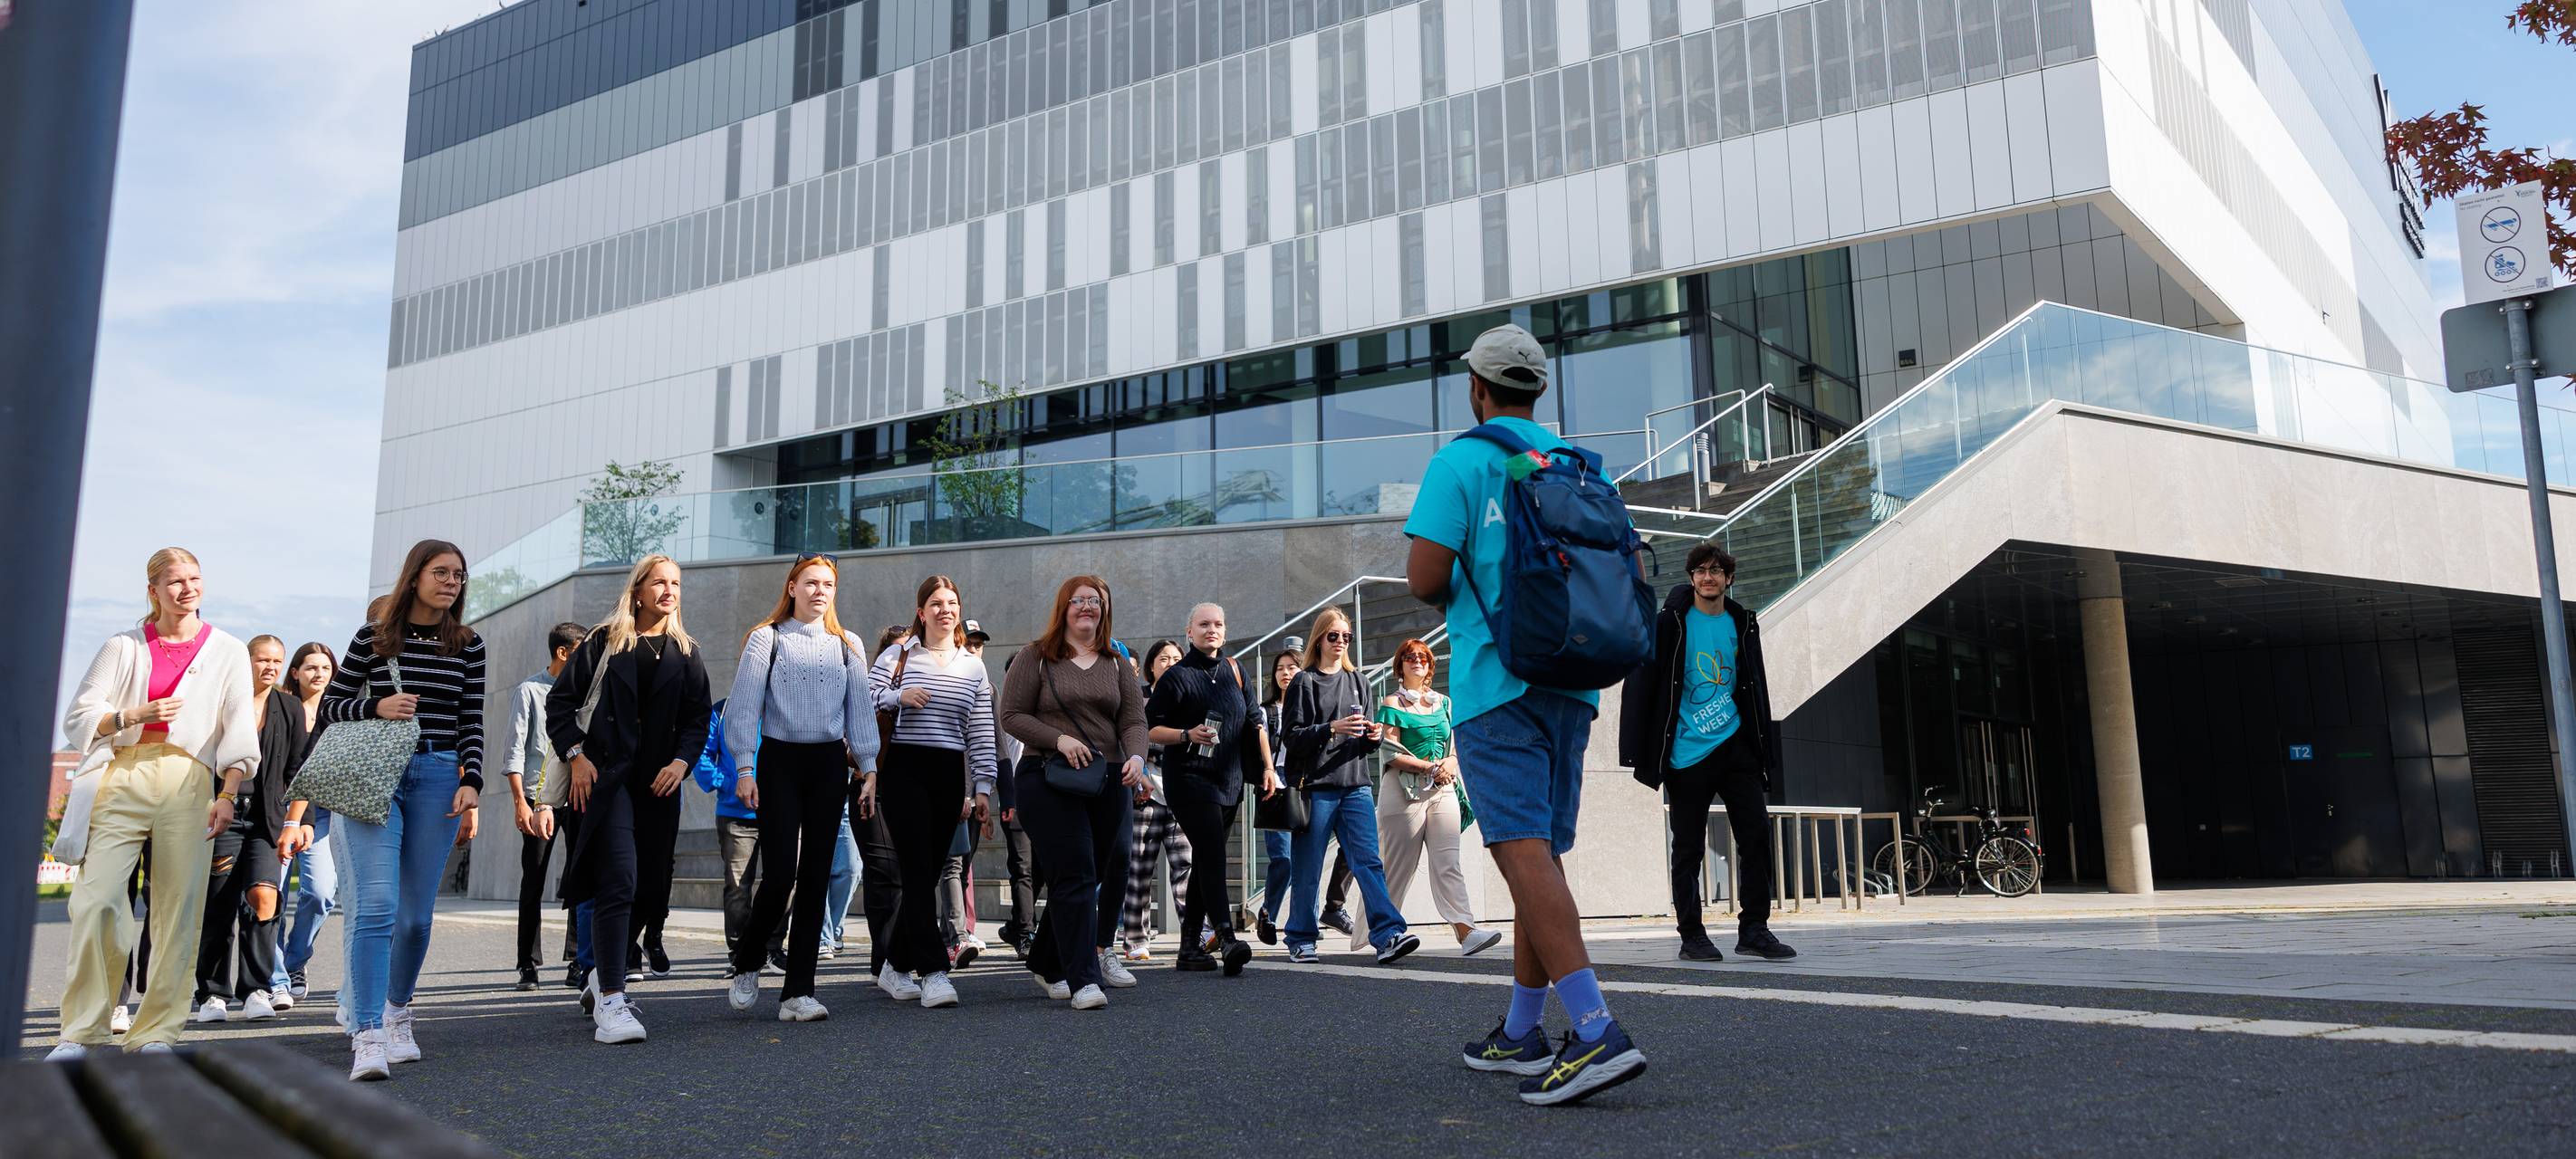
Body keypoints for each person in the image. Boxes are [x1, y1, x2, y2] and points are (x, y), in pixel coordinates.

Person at [1407, 322, 1647, 1105]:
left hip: (1495, 680)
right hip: (1574, 683)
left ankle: (1595, 1030)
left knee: (1518, 852)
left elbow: (1422, 578)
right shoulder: (1567, 463)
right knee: (1536, 855)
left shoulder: (1464, 460)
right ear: (1538, 389)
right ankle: (1519, 1031)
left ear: (1476, 388)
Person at [52, 548, 262, 1060]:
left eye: (194, 579)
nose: (186, 589)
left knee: (178, 909)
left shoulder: (230, 650)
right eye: (174, 581)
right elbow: (80, 716)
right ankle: (82, 1029)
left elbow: (237, 732)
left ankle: (156, 1032)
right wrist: (131, 714)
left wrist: (229, 793)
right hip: (123, 773)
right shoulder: (122, 646)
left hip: (189, 778)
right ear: (153, 591)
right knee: (98, 900)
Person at [320, 539, 487, 1081]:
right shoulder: (374, 639)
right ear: (414, 575)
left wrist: (473, 783)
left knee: (415, 920)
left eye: (458, 576)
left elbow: (472, 721)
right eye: (441, 572)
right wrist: (377, 705)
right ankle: (366, 1032)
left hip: (439, 779)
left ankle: (397, 1013)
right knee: (375, 907)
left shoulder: (468, 645)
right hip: (376, 777)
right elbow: (330, 706)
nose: (450, 582)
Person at [547, 555, 712, 1044]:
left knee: (651, 888)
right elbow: (561, 704)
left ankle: (601, 977)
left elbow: (698, 718)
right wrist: (576, 755)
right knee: (617, 877)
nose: (669, 590)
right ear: (638, 590)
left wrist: (682, 762)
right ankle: (613, 998)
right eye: (659, 582)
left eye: (676, 583)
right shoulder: (604, 641)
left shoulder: (687, 651)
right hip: (607, 780)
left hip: (660, 785)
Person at [722, 554, 881, 1023]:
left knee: (815, 878)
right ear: (792, 588)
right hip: (779, 763)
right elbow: (742, 708)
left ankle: (799, 992)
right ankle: (748, 961)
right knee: (780, 877)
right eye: (810, 582)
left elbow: (861, 712)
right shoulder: (766, 639)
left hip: (829, 764)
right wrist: (746, 769)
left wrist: (869, 768)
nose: (820, 591)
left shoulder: (848, 644)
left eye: (828, 584)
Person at [1620, 544, 1797, 963]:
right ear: (1691, 577)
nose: (1708, 578)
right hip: (1687, 752)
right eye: (1700, 571)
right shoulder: (1671, 624)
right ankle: (1692, 935)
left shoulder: (1743, 623)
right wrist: (1640, 749)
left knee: (1755, 837)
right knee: (1688, 849)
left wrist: (1761, 747)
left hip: (1737, 747)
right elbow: (1643, 684)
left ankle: (1754, 929)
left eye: (1716, 571)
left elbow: (1755, 687)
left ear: (1728, 578)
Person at [998, 575, 1149, 1011]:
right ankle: (1083, 977)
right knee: (1077, 873)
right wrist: (1057, 738)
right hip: (1048, 776)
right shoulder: (1037, 657)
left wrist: (1137, 758)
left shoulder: (1117, 662)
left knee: (1099, 867)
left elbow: (1134, 723)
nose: (1088, 607)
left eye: (1096, 601)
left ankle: (1046, 960)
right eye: (1079, 600)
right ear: (1063, 607)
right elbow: (1011, 715)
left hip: (1108, 777)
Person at [866, 575, 998, 1010]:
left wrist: (983, 787)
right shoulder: (897, 654)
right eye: (936, 603)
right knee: (918, 868)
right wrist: (898, 696)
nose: (946, 609)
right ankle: (934, 971)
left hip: (948, 770)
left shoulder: (972, 666)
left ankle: (894, 963)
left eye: (952, 602)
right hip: (904, 766)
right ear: (921, 612)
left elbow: (980, 731)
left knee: (928, 870)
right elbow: (865, 697)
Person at [1144, 604, 1279, 976]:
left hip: (1230, 780)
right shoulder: (1176, 677)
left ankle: (1189, 948)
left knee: (1206, 857)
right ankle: (1224, 934)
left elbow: (1256, 722)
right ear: (1190, 631)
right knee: (1213, 853)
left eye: (1218, 624)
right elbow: (1148, 728)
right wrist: (1186, 735)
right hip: (1188, 779)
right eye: (1204, 624)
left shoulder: (1235, 670)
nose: (1212, 630)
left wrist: (1268, 767)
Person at [1280, 608, 1417, 967]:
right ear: (1319, 639)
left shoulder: (1360, 681)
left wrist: (1373, 736)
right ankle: (1300, 938)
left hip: (1356, 785)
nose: (1340, 642)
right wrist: (1330, 729)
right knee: (1307, 867)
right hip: (1317, 788)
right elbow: (1290, 738)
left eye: (1346, 637)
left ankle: (1388, 935)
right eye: (1333, 636)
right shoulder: (1303, 682)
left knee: (1369, 862)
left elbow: (1366, 741)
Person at [193, 635, 304, 1023]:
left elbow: (298, 771)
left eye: (277, 661)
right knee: (219, 903)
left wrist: (296, 821)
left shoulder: (290, 708)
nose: (270, 667)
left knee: (264, 897)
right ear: (246, 662)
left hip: (267, 819)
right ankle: (212, 993)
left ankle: (257, 987)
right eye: (262, 660)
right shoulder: (223, 704)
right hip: (222, 815)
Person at [1375, 640, 1503, 958]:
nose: (1417, 661)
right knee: (1397, 869)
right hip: (1403, 792)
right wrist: (1430, 766)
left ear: (1431, 666)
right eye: (1409, 657)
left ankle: (1466, 930)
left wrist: (1450, 763)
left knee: (1448, 863)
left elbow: (1456, 746)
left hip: (1442, 790)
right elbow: (1390, 752)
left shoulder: (1444, 703)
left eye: (1422, 657)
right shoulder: (1392, 702)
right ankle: (1384, 933)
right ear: (1400, 666)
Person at [506, 622, 586, 991]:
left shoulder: (587, 692)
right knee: (534, 879)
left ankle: (577, 960)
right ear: (563, 653)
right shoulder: (530, 690)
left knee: (580, 877)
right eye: (581, 650)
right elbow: (515, 752)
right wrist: (521, 802)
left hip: (580, 794)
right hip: (540, 799)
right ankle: (527, 963)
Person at [695, 696, 784, 972]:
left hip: (782, 811)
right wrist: (726, 783)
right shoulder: (722, 711)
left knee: (785, 881)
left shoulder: (783, 705)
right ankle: (740, 952)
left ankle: (773, 947)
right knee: (737, 886)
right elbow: (702, 755)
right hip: (736, 814)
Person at [1119, 640, 1191, 960]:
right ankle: (1135, 938)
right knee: (1139, 869)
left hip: (1180, 791)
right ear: (1151, 666)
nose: (1171, 663)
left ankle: (1193, 935)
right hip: (1145, 792)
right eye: (1164, 659)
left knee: (1185, 865)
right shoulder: (1139, 697)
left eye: (1177, 658)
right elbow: (1130, 736)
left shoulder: (1189, 698)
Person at [274, 643, 336, 1004]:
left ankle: (295, 960)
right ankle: (276, 976)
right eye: (311, 667)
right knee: (272, 895)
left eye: (326, 668)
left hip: (324, 815)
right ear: (295, 672)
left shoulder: (338, 712)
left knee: (321, 893)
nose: (319, 674)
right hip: (279, 812)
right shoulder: (279, 707)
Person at [938, 619, 1000, 966]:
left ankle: (953, 934)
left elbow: (994, 746)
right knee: (950, 864)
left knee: (961, 866)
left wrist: (986, 793)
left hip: (976, 793)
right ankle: (956, 937)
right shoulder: (944, 677)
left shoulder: (987, 688)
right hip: (948, 790)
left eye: (980, 644)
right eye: (970, 642)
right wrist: (961, 791)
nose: (975, 648)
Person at [852, 624, 908, 973]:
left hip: (908, 783)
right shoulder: (873, 690)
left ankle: (893, 955)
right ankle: (884, 956)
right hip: (868, 781)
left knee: (901, 871)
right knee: (882, 871)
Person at [1254, 647, 1302, 945]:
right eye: (1281, 668)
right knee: (1282, 857)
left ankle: (1300, 920)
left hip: (1304, 783)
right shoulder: (1266, 710)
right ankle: (1268, 912)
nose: (1286, 673)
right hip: (1275, 783)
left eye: (1292, 667)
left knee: (1304, 858)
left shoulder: (1310, 707)